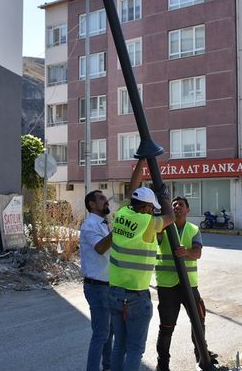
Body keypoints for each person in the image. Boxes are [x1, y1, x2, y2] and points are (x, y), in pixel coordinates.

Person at [108, 159, 174, 371]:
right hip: (136, 295)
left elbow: (132, 189)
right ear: (146, 207)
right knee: (135, 349)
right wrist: (164, 197)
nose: (152, 211)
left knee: (119, 345)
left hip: (115, 291)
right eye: (151, 208)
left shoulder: (122, 213)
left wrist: (141, 163)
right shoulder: (148, 222)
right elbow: (171, 216)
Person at [154, 196, 216, 371]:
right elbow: (155, 241)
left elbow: (197, 253)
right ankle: (162, 365)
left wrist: (187, 252)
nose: (177, 207)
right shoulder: (164, 228)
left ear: (187, 210)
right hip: (167, 286)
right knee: (166, 327)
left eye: (181, 205)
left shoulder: (193, 229)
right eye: (174, 205)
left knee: (199, 321)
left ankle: (202, 358)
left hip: (189, 285)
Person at [79, 189, 114, 371]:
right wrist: (117, 232)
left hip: (109, 286)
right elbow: (100, 248)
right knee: (101, 334)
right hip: (97, 287)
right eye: (101, 198)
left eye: (105, 198)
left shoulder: (103, 224)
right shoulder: (89, 225)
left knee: (109, 332)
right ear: (91, 204)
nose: (106, 200)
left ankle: (108, 367)